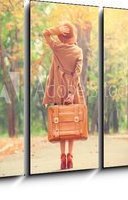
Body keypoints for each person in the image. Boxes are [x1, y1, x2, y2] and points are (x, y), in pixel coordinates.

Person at [42, 21, 85, 170]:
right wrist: (72, 93)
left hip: (59, 89)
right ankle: (70, 157)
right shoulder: (78, 51)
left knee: (61, 123)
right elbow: (77, 74)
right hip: (72, 91)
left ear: (62, 36)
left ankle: (62, 157)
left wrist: (56, 29)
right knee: (71, 122)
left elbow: (45, 33)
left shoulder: (57, 48)